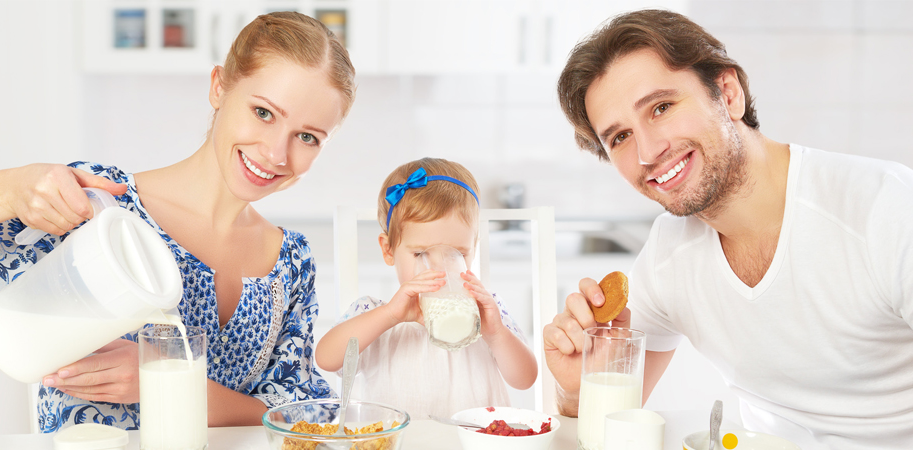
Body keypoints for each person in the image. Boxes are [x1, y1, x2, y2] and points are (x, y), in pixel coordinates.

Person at [0, 11, 355, 432]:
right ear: (219, 87)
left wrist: (165, 379)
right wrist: (8, 189)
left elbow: (297, 418)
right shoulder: (101, 211)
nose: (276, 154)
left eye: (308, 137)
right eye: (263, 112)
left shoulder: (290, 260)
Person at [543, 8, 913, 450]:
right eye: (619, 137)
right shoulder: (668, 256)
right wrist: (577, 386)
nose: (648, 151)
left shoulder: (885, 210)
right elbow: (607, 426)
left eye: (661, 108)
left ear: (728, 93)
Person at [314, 157, 538, 419]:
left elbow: (525, 379)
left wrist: (496, 334)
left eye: (457, 253)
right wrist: (389, 317)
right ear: (388, 250)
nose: (440, 269)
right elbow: (326, 358)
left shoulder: (486, 312)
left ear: (473, 249)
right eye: (420, 253)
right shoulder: (375, 312)